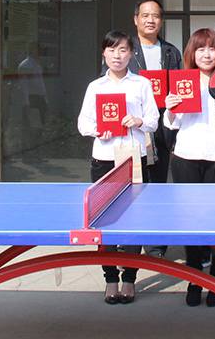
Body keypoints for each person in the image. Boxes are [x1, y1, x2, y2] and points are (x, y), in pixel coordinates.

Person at [164, 28, 215, 307]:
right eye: (201, 49)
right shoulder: (182, 82)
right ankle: (195, 275)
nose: (207, 53)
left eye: (211, 48)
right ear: (192, 53)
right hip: (186, 156)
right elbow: (170, 123)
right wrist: (171, 108)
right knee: (192, 220)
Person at [77, 30, 159, 304]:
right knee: (104, 220)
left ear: (131, 53)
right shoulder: (95, 87)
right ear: (104, 53)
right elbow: (82, 124)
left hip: (133, 157)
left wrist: (138, 121)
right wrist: (99, 130)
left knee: (134, 220)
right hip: (104, 158)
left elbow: (154, 120)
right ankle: (110, 277)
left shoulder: (141, 84)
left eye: (123, 50)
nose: (117, 55)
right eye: (112, 50)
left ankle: (130, 278)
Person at [130, 0, 182, 259]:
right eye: (146, 15)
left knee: (159, 183)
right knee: (131, 185)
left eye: (156, 16)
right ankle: (127, 239)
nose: (151, 20)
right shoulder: (125, 50)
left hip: (162, 124)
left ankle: (155, 244)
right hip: (132, 127)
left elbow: (181, 87)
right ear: (136, 19)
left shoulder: (172, 52)